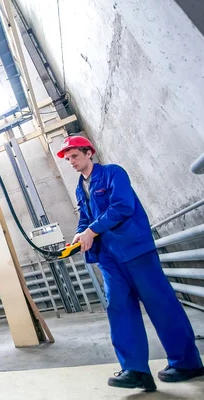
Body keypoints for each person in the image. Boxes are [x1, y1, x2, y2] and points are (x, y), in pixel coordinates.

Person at [57, 135, 203, 392]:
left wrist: (92, 229)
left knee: (161, 305)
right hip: (108, 258)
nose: (72, 162)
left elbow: (123, 206)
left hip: (135, 250)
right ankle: (135, 370)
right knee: (119, 308)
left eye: (75, 156)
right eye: (68, 159)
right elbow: (85, 219)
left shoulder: (113, 173)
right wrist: (80, 235)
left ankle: (186, 362)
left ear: (88, 152)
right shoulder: (81, 188)